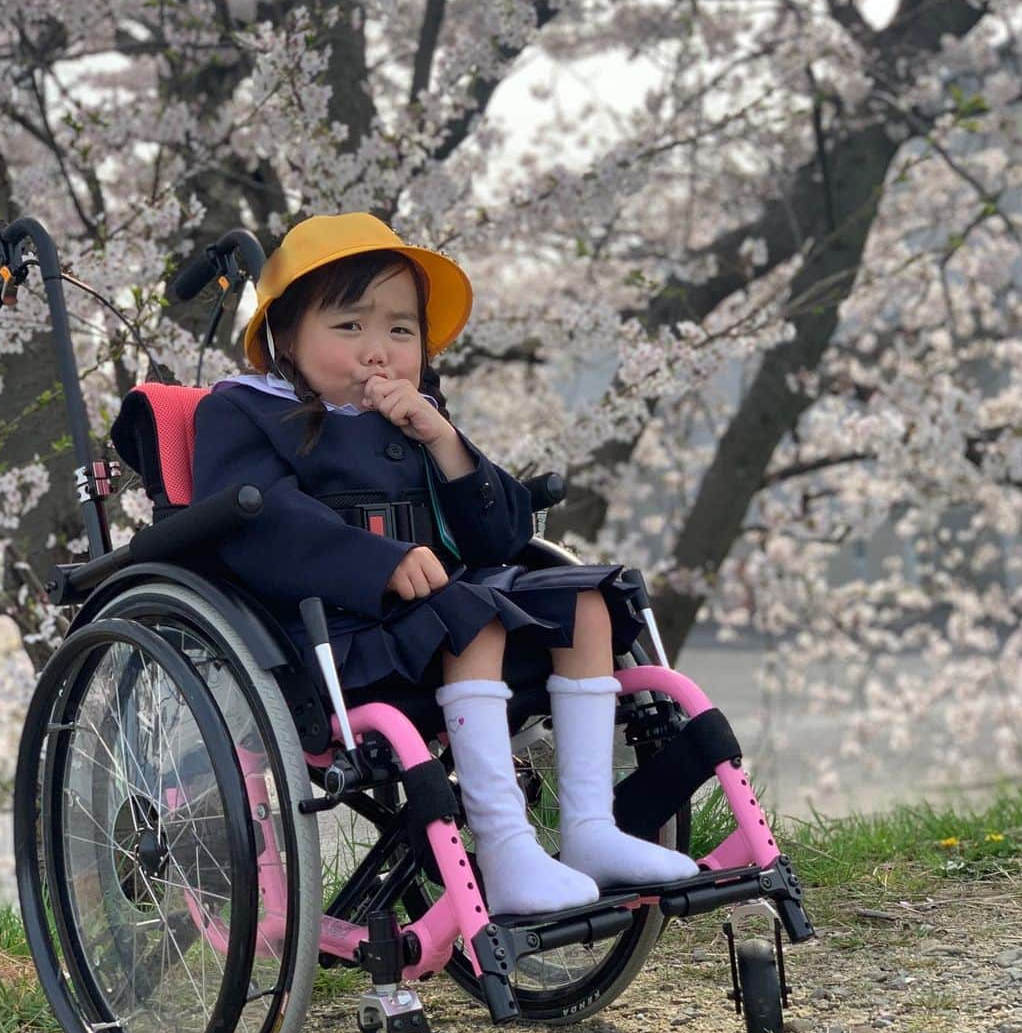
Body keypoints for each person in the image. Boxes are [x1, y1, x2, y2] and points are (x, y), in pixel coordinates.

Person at [191, 212, 698, 916]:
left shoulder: (419, 416)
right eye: (349, 327)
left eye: (401, 330)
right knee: (475, 617)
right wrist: (379, 561)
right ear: (283, 337)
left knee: (584, 602)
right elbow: (262, 521)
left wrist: (446, 443)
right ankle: (504, 846)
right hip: (333, 640)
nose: (379, 351)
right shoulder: (244, 411)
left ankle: (591, 828)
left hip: (443, 621)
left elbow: (498, 537)